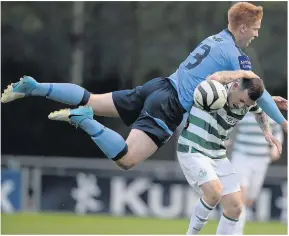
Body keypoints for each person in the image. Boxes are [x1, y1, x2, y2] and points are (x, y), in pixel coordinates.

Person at [1, 2, 287, 170]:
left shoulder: (216, 39)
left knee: (91, 98)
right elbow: (255, 93)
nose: (257, 35)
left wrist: (269, 100)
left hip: (159, 86)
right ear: (242, 28)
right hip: (169, 105)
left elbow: (250, 94)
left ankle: (34, 87)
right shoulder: (236, 55)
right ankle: (83, 121)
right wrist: (282, 122)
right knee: (127, 158)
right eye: (256, 29)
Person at [176, 77, 282, 235]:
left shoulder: (247, 101)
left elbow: (259, 113)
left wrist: (266, 131)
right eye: (241, 100)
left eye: (247, 104)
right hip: (194, 148)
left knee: (235, 207)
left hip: (218, 154)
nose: (242, 105)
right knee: (214, 192)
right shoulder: (216, 90)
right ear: (235, 86)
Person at [229, 112, 284, 234]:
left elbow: (278, 133)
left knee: (250, 199)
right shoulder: (242, 110)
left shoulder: (271, 114)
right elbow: (230, 128)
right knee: (240, 194)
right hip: (241, 156)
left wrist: (275, 149)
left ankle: (237, 217)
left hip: (261, 159)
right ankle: (237, 231)